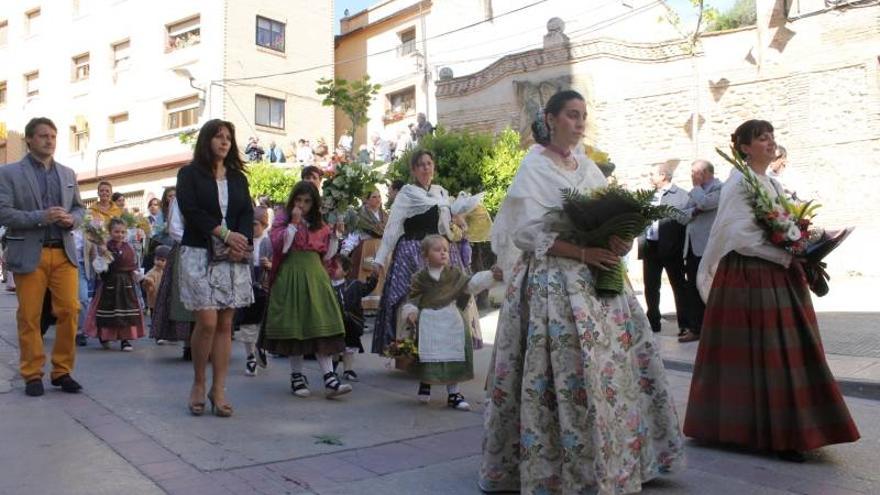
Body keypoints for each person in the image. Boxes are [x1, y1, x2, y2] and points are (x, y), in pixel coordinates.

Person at [480, 90, 684, 493]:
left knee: (610, 370)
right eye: (572, 115)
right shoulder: (534, 167)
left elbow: (613, 212)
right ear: (551, 119)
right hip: (553, 283)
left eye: (583, 116)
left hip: (598, 283)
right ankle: (556, 467)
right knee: (564, 372)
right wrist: (583, 251)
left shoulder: (586, 165)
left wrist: (619, 240)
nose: (579, 122)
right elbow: (526, 233)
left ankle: (616, 460)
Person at [684, 119, 859, 462]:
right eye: (761, 138)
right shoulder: (739, 182)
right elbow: (740, 236)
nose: (769, 141)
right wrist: (783, 254)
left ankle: (795, 427)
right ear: (744, 147)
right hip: (750, 276)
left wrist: (804, 243)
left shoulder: (770, 182)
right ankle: (774, 432)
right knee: (767, 353)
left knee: (786, 352)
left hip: (777, 273)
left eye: (771, 136)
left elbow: (785, 223)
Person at [0, 117, 86, 396]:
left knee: (70, 311)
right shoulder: (9, 173)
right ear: (28, 140)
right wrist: (41, 216)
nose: (49, 140)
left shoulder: (68, 173)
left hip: (62, 251)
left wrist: (71, 221)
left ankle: (62, 371)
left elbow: (79, 209)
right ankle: (32, 374)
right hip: (29, 252)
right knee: (30, 316)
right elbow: (4, 212)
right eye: (43, 136)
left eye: (53, 136)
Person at [176, 119, 255, 417]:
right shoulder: (189, 173)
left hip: (232, 257)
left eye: (228, 138)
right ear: (206, 140)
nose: (224, 142)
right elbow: (190, 209)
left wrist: (242, 239)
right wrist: (223, 234)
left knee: (225, 323)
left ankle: (218, 389)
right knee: (207, 321)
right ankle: (198, 383)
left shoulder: (238, 178)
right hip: (198, 251)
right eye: (218, 137)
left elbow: (246, 211)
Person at [370, 150, 472, 355]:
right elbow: (392, 227)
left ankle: (445, 347)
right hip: (412, 251)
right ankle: (411, 351)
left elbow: (444, 225)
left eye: (429, 163)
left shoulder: (441, 192)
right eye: (421, 165)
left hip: (441, 249)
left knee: (447, 297)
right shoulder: (407, 193)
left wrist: (457, 221)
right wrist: (380, 258)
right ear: (414, 169)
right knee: (413, 300)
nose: (426, 168)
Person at [260, 181, 351, 399]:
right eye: (299, 200)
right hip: (291, 275)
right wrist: (293, 223)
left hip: (316, 276)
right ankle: (297, 376)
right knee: (296, 327)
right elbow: (281, 246)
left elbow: (328, 255)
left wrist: (336, 236)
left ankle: (329, 377)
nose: (302, 205)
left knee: (321, 325)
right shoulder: (283, 219)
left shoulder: (319, 224)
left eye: (307, 201)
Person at [401, 235, 501, 410]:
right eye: (437, 250)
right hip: (430, 322)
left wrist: (490, 276)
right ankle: (427, 382)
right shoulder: (420, 277)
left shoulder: (455, 274)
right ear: (425, 255)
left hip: (452, 320)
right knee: (429, 356)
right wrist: (411, 311)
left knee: (454, 355)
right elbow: (413, 297)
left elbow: (470, 285)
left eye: (445, 250)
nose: (443, 253)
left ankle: (454, 393)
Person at [637, 162, 692, 335]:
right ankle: (653, 322)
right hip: (650, 247)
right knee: (651, 286)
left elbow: (685, 224)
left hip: (672, 249)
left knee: (678, 286)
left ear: (663, 176)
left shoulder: (682, 196)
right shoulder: (649, 195)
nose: (649, 177)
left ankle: (685, 324)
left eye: (652, 173)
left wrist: (680, 248)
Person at [677, 160, 723, 343]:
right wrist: (694, 211)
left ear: (705, 173)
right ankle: (696, 328)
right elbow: (680, 216)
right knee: (693, 288)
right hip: (692, 247)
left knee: (711, 287)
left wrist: (697, 202)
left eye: (694, 172)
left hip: (710, 247)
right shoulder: (694, 192)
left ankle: (717, 327)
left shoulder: (720, 188)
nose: (692, 176)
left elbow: (705, 203)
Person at [84, 217, 145, 351]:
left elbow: (132, 263)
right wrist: (104, 252)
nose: (120, 235)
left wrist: (136, 273)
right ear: (110, 232)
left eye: (123, 232)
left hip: (126, 284)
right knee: (108, 310)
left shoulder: (128, 246)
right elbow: (100, 266)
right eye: (117, 232)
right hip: (109, 283)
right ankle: (105, 335)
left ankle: (125, 339)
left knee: (126, 312)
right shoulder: (104, 246)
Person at [149, 196, 196, 356]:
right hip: (185, 249)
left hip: (210, 252)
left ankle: (207, 344)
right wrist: (197, 242)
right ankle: (188, 344)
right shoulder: (179, 200)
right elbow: (175, 229)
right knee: (182, 299)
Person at [329, 254, 378, 382]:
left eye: (336, 267)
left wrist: (374, 276)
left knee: (349, 347)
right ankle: (331, 371)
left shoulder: (354, 285)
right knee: (333, 347)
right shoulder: (325, 285)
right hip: (333, 323)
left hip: (351, 323)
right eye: (330, 266)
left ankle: (348, 369)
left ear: (345, 271)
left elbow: (367, 288)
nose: (331, 269)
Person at [237, 206, 272, 377]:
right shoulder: (245, 241)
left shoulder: (270, 242)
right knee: (248, 323)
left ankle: (260, 348)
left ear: (264, 225)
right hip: (247, 284)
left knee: (262, 323)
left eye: (256, 224)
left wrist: (270, 265)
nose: (252, 227)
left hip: (263, 286)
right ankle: (250, 357)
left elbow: (277, 263)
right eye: (250, 224)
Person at [142, 244, 170, 321]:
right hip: (154, 301)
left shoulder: (168, 272)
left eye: (163, 260)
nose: (159, 262)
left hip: (164, 301)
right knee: (155, 318)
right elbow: (147, 288)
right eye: (157, 259)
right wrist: (149, 283)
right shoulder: (152, 272)